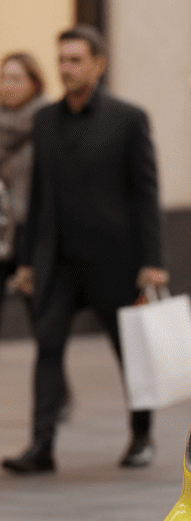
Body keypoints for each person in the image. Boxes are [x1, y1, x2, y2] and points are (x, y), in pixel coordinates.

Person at [3, 26, 169, 474]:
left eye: (76, 60)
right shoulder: (46, 120)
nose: (66, 69)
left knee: (129, 352)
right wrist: (26, 261)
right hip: (59, 261)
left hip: (116, 260)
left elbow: (144, 193)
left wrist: (153, 261)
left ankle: (140, 436)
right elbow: (39, 196)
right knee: (49, 347)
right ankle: (42, 444)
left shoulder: (128, 118)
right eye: (61, 60)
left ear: (98, 64)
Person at [1, 52, 48, 326]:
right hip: (0, 229)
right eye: (4, 77)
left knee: (44, 323)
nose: (7, 85)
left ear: (34, 83)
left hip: (33, 230)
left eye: (16, 78)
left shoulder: (49, 122)